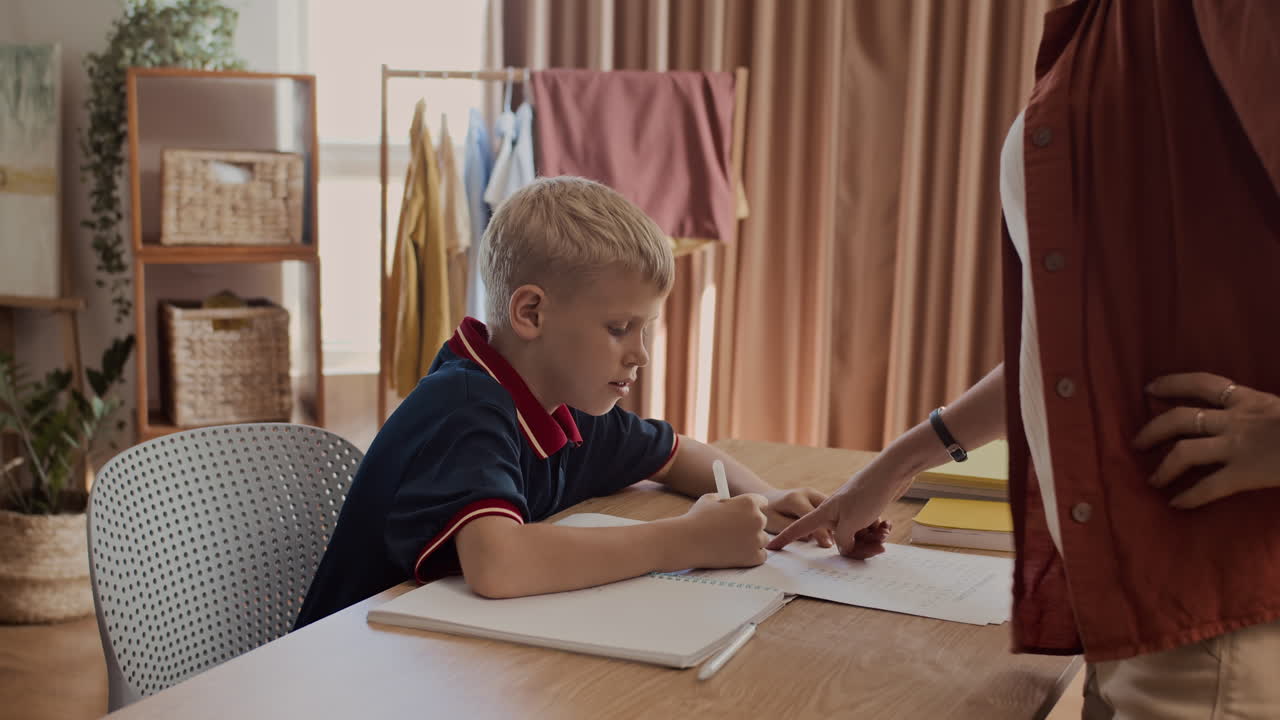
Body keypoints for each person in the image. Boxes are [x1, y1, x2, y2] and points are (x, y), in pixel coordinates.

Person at [770, 1, 1280, 716]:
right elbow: (1081, 351)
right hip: (1130, 593)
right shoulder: (1111, 25)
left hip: (1218, 611)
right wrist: (897, 463)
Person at [296, 176, 830, 628]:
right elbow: (499, 565)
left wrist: (766, 495)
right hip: (347, 670)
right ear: (531, 313)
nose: (639, 354)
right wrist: (690, 540)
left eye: (646, 329)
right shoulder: (464, 409)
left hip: (438, 653)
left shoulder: (561, 402)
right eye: (620, 328)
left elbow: (675, 454)